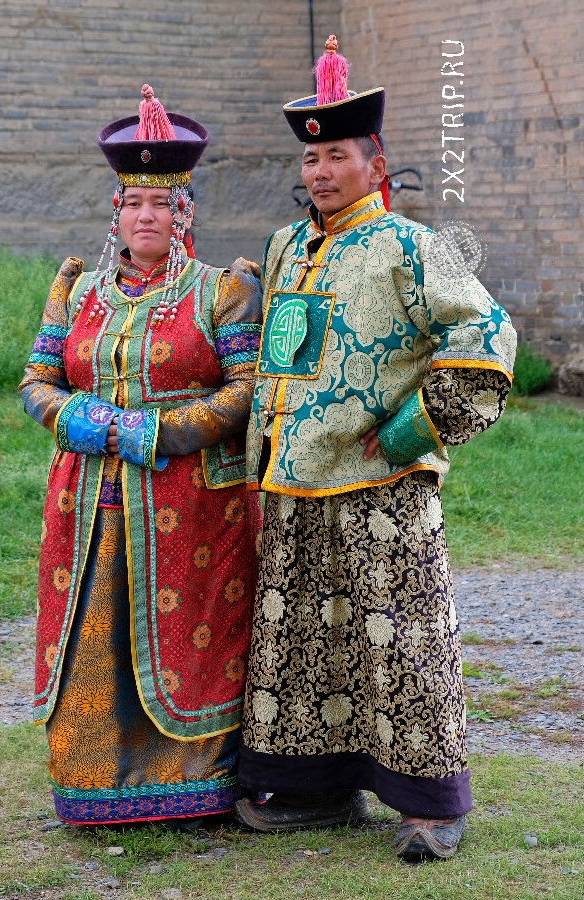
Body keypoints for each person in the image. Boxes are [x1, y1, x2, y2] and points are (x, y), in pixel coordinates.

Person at [235, 36, 517, 860]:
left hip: (380, 483)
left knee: (403, 640)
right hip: (292, 480)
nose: (320, 172)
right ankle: (312, 791)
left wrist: (409, 431)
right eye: (312, 158)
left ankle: (431, 807)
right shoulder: (287, 245)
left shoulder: (409, 244)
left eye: (338, 157)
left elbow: (486, 331)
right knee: (302, 645)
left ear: (375, 163)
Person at [19, 84, 263, 826]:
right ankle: (95, 785)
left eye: (161, 204)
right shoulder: (78, 290)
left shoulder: (222, 290)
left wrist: (157, 433)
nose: (146, 216)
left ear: (182, 213)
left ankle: (198, 786)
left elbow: (247, 388)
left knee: (192, 640)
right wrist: (84, 420)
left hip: (192, 502)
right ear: (116, 215)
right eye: (132, 203)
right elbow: (38, 381)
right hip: (89, 498)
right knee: (95, 634)